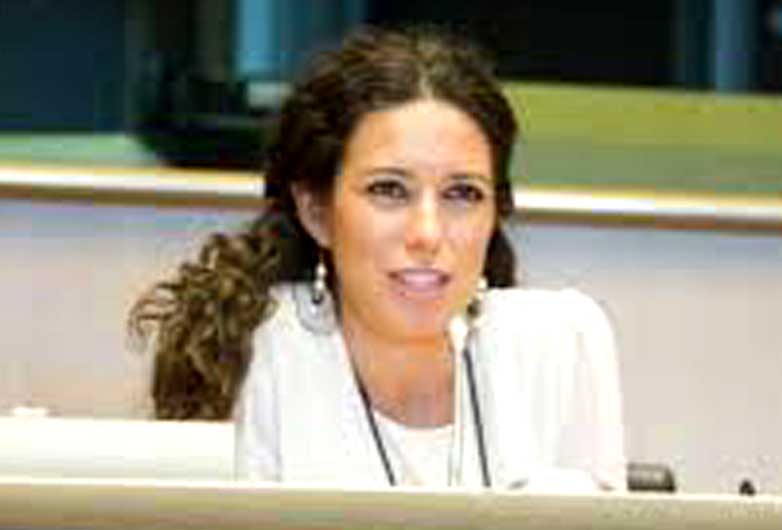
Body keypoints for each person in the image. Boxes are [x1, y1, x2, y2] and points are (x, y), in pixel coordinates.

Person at [129, 26, 626, 491]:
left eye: (462, 193)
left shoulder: (564, 344)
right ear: (317, 211)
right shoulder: (261, 355)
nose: (428, 233)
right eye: (389, 190)